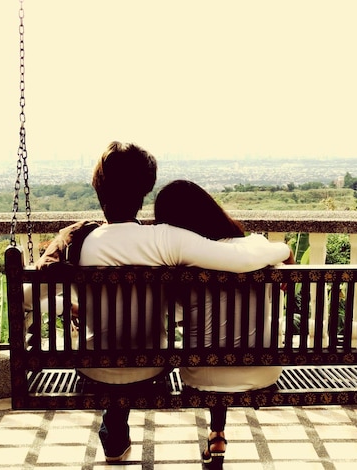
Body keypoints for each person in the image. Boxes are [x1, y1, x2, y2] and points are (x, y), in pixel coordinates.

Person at [72, 142, 291, 463]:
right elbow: (239, 257)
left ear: (97, 188)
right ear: (146, 188)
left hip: (94, 369)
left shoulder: (84, 241)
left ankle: (114, 427)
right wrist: (281, 249)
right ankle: (117, 426)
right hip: (150, 368)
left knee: (115, 338)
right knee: (140, 342)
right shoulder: (165, 238)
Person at [155, 179, 289, 468]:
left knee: (211, 347)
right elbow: (281, 251)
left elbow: (174, 314)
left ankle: (217, 433)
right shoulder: (256, 247)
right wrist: (285, 252)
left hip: (201, 375)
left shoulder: (183, 260)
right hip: (262, 369)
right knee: (226, 342)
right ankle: (217, 433)